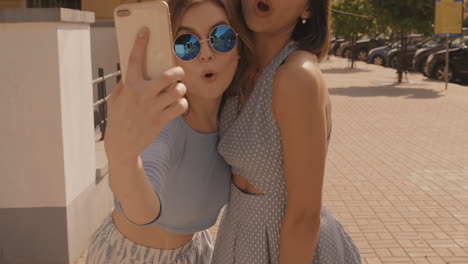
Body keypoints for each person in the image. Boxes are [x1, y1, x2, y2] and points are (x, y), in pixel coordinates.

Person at [86, 0, 252, 263]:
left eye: (221, 38)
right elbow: (141, 207)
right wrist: (122, 159)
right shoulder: (165, 120)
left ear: (239, 48)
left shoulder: (234, 115)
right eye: (187, 44)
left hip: (195, 251)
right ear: (171, 56)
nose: (206, 53)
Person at [212, 0, 361, 263]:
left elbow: (304, 215)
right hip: (237, 238)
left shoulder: (296, 75)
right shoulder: (237, 70)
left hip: (290, 248)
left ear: (307, 9)